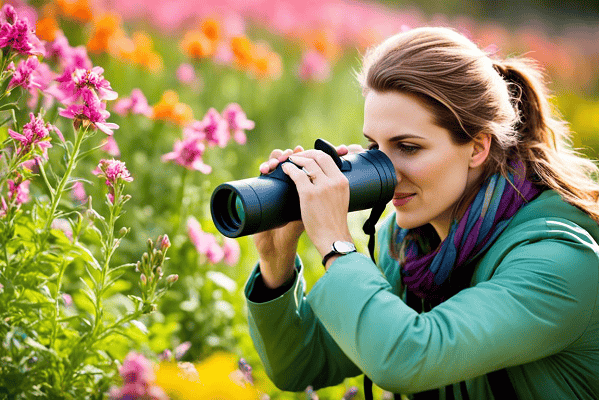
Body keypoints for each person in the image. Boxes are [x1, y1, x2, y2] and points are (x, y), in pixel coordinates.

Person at [243, 26, 599, 399]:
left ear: (477, 147)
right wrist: (276, 262)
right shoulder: (409, 245)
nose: (386, 171)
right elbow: (303, 365)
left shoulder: (558, 262)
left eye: (408, 147)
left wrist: (337, 246)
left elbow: (410, 356)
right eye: (374, 146)